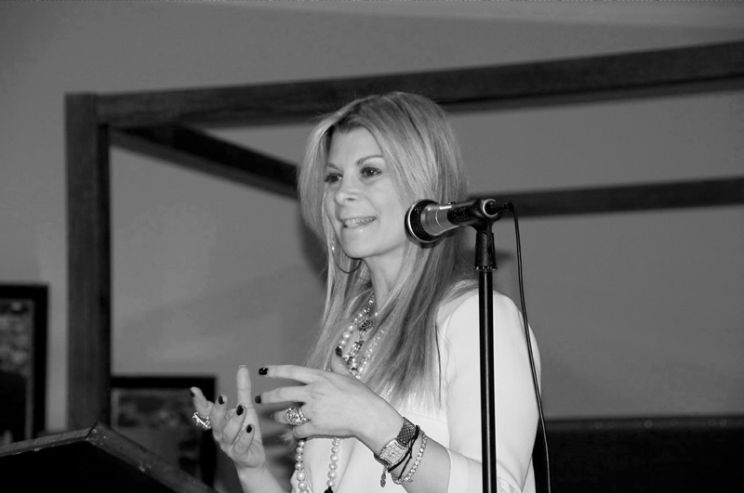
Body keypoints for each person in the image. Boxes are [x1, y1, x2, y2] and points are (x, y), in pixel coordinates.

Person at [190, 92, 541, 493]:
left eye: (369, 171)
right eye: (334, 177)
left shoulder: (477, 318)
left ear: (423, 181)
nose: (342, 194)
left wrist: (374, 422)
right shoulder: (350, 333)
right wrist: (252, 469)